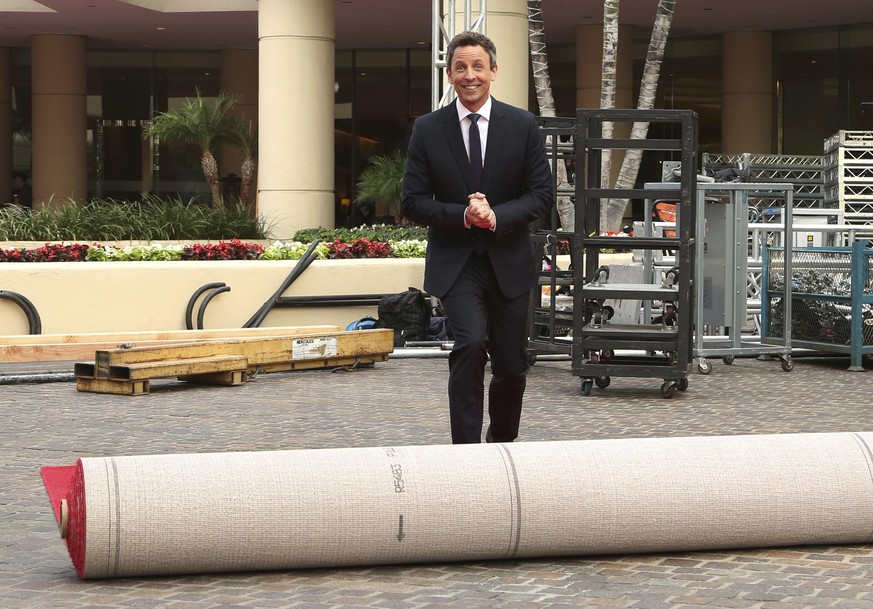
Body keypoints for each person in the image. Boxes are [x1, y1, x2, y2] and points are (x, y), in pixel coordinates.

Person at [401, 31, 554, 444]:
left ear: (494, 71)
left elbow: (541, 196)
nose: (470, 75)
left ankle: (502, 443)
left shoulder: (522, 125)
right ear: (449, 75)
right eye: (461, 68)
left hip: (509, 261)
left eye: (478, 67)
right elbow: (412, 201)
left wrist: (496, 216)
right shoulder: (428, 130)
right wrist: (465, 217)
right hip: (457, 262)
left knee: (510, 363)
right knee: (468, 345)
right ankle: (466, 454)